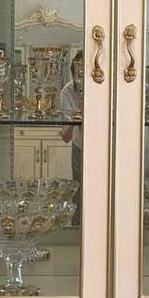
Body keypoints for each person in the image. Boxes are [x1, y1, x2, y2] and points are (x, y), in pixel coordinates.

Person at [59, 50, 83, 225]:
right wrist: (77, 117)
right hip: (79, 147)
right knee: (79, 194)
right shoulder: (67, 92)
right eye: (78, 73)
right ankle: (78, 232)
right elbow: (66, 137)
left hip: (103, 147)